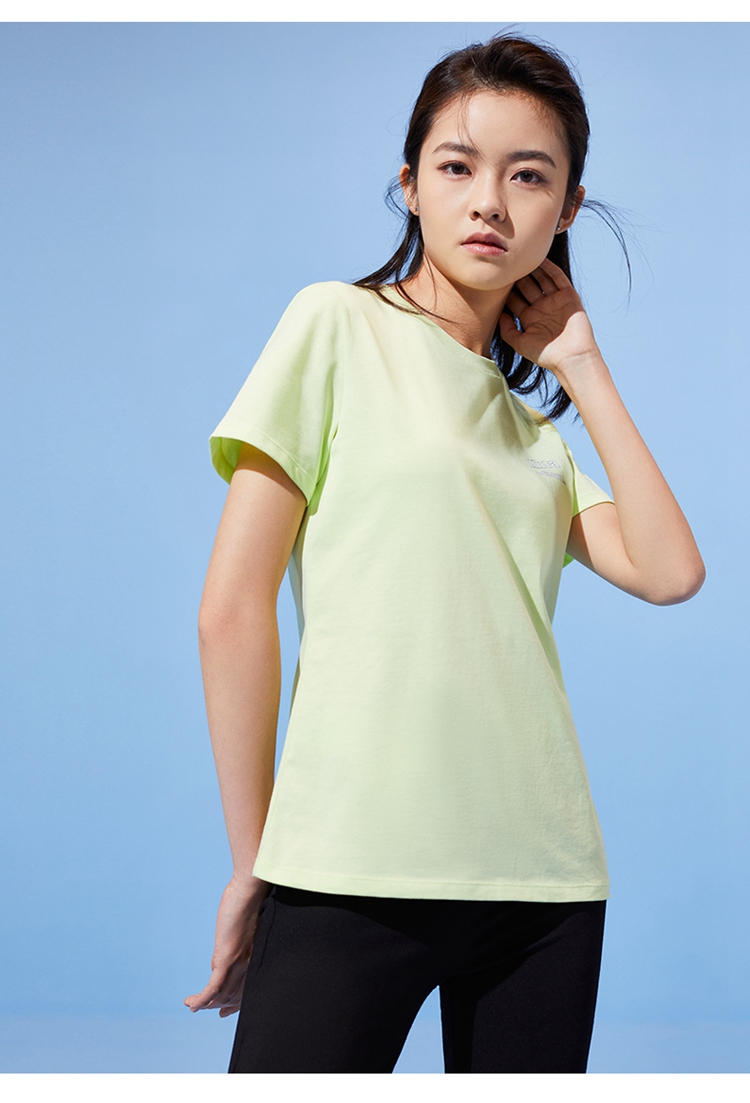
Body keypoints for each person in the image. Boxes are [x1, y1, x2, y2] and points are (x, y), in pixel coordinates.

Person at [184, 33, 705, 1073]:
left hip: (543, 884)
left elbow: (669, 570)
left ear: (567, 208)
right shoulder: (334, 326)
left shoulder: (533, 432)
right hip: (345, 867)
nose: (489, 203)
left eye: (529, 177)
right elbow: (231, 610)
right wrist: (254, 859)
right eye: (458, 166)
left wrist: (584, 365)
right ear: (410, 183)